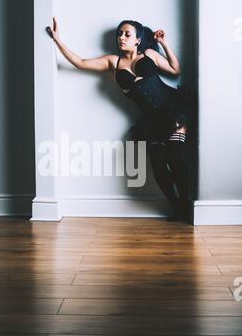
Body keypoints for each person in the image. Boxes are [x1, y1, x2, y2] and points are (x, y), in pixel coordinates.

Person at [46, 17, 193, 222]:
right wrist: (58, 40)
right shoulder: (112, 62)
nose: (121, 37)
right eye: (119, 34)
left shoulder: (149, 54)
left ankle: (186, 204)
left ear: (138, 40)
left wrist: (165, 45)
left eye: (127, 34)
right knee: (159, 166)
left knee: (175, 159)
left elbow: (176, 71)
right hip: (151, 121)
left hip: (173, 111)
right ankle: (178, 207)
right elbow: (80, 63)